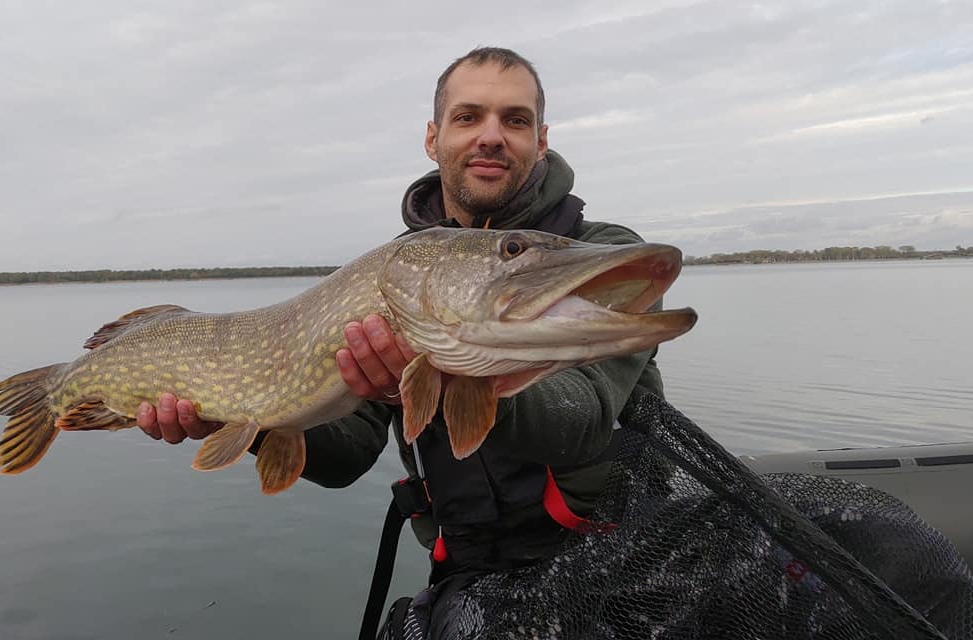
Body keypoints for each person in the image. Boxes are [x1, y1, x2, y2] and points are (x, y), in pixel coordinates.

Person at [135, 46, 668, 633]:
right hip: (468, 575)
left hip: (619, 556)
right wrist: (244, 420)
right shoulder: (397, 277)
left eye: (515, 120)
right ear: (433, 139)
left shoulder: (596, 254)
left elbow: (584, 419)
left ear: (541, 140)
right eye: (468, 117)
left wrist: (458, 369)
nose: (491, 135)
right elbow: (349, 454)